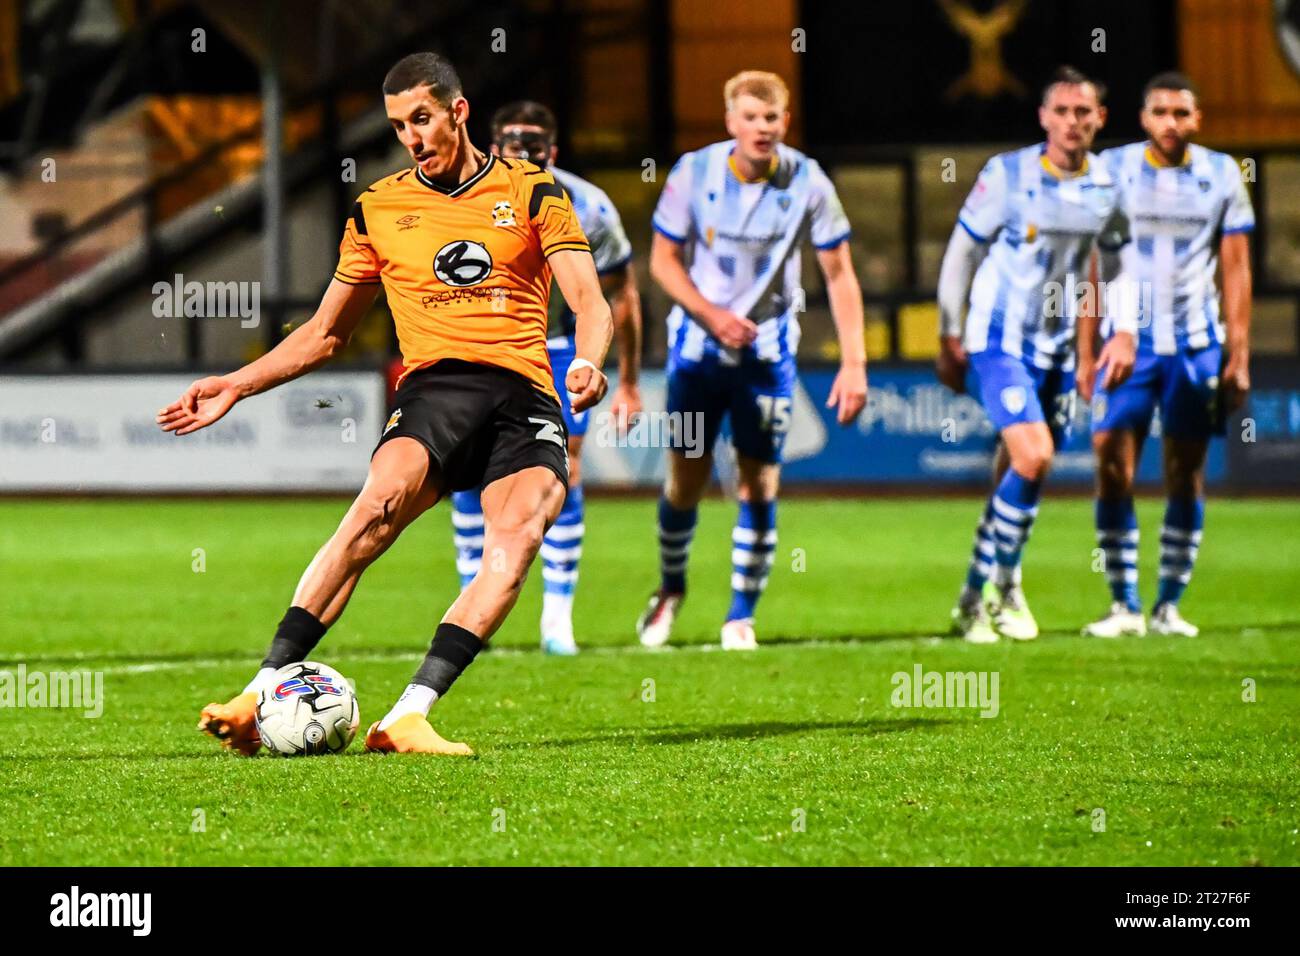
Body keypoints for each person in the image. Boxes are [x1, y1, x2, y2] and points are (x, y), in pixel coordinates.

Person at [157, 52, 611, 755]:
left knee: (518, 539)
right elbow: (323, 333)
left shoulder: (532, 190)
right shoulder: (378, 207)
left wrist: (588, 358)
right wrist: (235, 384)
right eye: (400, 125)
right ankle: (258, 690)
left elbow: (589, 299)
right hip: (436, 386)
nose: (412, 136)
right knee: (377, 507)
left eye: (423, 119)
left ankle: (409, 713)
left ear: (459, 113)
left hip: (524, 393)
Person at [636, 70, 868, 651]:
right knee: (685, 480)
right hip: (696, 354)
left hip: (767, 355)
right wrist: (712, 315)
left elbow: (839, 274)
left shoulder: (809, 181)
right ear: (730, 122)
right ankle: (670, 589)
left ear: (785, 122)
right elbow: (662, 262)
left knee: (759, 484)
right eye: (751, 117)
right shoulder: (695, 172)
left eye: (772, 118)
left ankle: (741, 615)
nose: (762, 128)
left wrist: (855, 362)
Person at [448, 100, 642, 656]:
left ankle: (557, 617)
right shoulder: (460, 196)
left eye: (536, 146)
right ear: (492, 147)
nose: (525, 154)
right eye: (513, 145)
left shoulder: (591, 207)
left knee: (564, 470)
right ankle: (471, 598)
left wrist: (626, 379)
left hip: (559, 349)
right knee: (468, 467)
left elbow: (621, 296)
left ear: (553, 152)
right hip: (483, 346)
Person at [937, 66, 1120, 643]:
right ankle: (1005, 586)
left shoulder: (1109, 187)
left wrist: (1111, 338)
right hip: (999, 339)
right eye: (1061, 111)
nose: (1072, 122)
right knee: (1035, 456)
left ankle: (971, 596)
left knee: (1019, 474)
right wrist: (948, 330)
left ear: (1099, 120)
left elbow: (1110, 266)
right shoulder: (1007, 175)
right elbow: (961, 252)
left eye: (1082, 112)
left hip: (1059, 350)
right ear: (1043, 117)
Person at [1079, 72, 1254, 638]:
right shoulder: (1111, 171)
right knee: (1110, 461)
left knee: (1185, 471)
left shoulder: (1223, 174)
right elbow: (1091, 262)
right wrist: (1087, 349)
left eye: (1182, 113)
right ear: (1143, 117)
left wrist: (1240, 353)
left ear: (1196, 120)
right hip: (1125, 343)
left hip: (1196, 345)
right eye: (1161, 112)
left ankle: (1168, 605)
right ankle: (1123, 603)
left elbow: (1235, 267)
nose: (1171, 123)